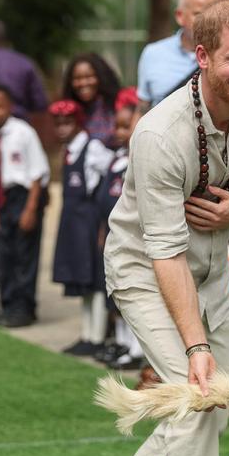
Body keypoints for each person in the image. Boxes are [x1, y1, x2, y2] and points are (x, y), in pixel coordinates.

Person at [104, 0, 229, 456]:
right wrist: (196, 346)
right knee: (200, 402)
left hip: (212, 275)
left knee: (212, 410)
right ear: (202, 58)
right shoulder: (159, 135)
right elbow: (164, 252)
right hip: (147, 272)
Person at [0, 84, 49, 327]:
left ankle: (25, 307)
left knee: (24, 256)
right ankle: (7, 306)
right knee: (3, 256)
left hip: (23, 197)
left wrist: (30, 209)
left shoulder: (23, 132)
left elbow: (37, 174)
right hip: (1, 200)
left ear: (9, 107)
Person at [49, 99, 112, 356]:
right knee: (82, 279)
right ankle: (86, 333)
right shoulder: (70, 150)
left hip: (90, 221)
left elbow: (110, 176)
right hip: (72, 222)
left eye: (67, 123)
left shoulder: (93, 148)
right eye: (58, 124)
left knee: (95, 278)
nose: (62, 129)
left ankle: (96, 336)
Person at [95, 87, 145, 371]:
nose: (120, 132)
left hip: (134, 239)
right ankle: (124, 344)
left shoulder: (138, 163)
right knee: (117, 296)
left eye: (126, 126)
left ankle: (138, 349)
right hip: (114, 236)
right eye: (118, 126)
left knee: (134, 294)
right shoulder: (114, 160)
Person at [61, 52, 121, 147]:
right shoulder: (69, 112)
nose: (83, 83)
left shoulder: (115, 106)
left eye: (89, 77)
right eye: (77, 78)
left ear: (101, 77)